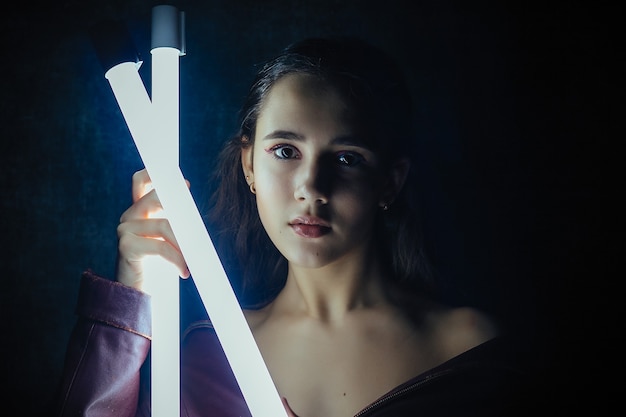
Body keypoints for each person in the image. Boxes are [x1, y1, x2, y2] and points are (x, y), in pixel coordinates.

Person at [52, 37, 536, 417]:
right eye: (285, 151)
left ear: (390, 181)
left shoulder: (468, 352)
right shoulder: (206, 356)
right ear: (248, 166)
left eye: (346, 158)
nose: (311, 187)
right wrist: (127, 306)